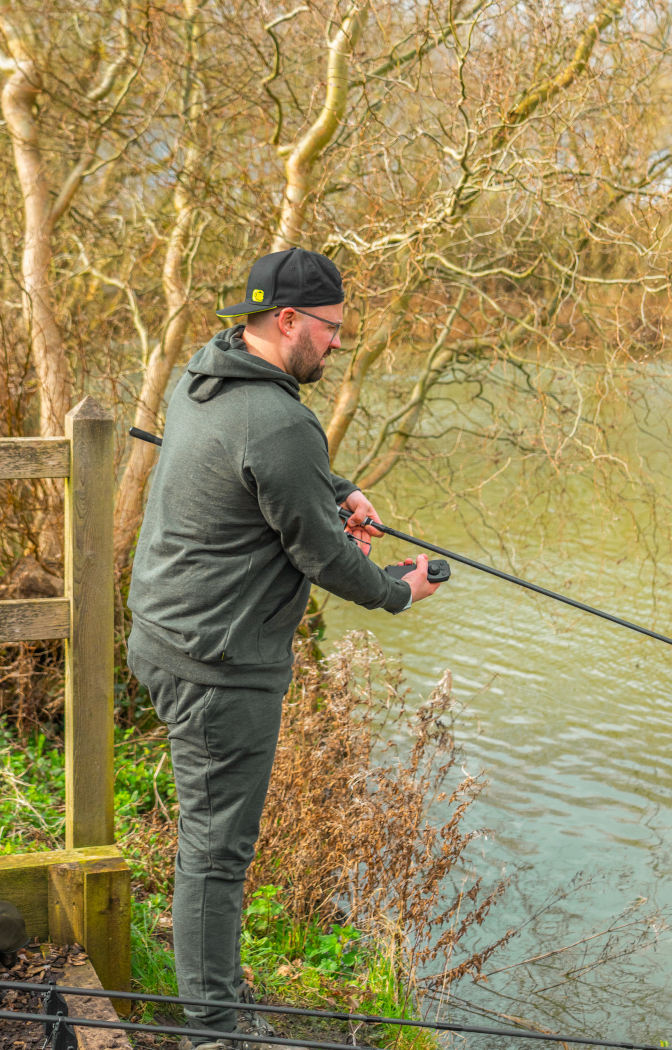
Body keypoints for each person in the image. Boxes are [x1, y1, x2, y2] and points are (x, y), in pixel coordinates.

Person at [127, 247, 441, 1050]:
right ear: (289, 320)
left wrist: (338, 488)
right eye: (332, 329)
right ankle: (213, 1030)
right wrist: (399, 591)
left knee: (212, 838)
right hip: (219, 665)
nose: (338, 344)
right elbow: (326, 557)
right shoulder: (278, 418)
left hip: (167, 639)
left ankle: (217, 994)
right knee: (216, 852)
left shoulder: (207, 375)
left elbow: (268, 470)